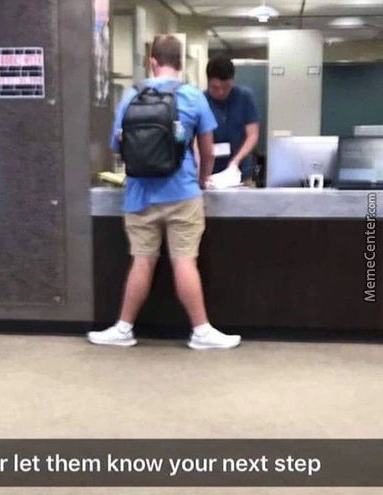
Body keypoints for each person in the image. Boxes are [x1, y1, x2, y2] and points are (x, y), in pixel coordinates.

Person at [87, 35, 241, 350]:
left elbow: (116, 145)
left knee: (142, 262)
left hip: (139, 195)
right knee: (184, 262)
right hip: (182, 193)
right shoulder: (193, 97)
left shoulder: (131, 95)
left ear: (152, 62)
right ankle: (201, 332)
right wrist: (202, 178)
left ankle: (123, 329)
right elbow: (208, 151)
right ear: (181, 63)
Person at [205, 54, 260, 186]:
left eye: (226, 87)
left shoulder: (245, 97)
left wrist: (236, 160)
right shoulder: (201, 101)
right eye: (215, 88)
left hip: (242, 172)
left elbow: (253, 134)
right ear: (208, 82)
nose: (221, 92)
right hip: (211, 175)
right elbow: (196, 140)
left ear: (233, 81)